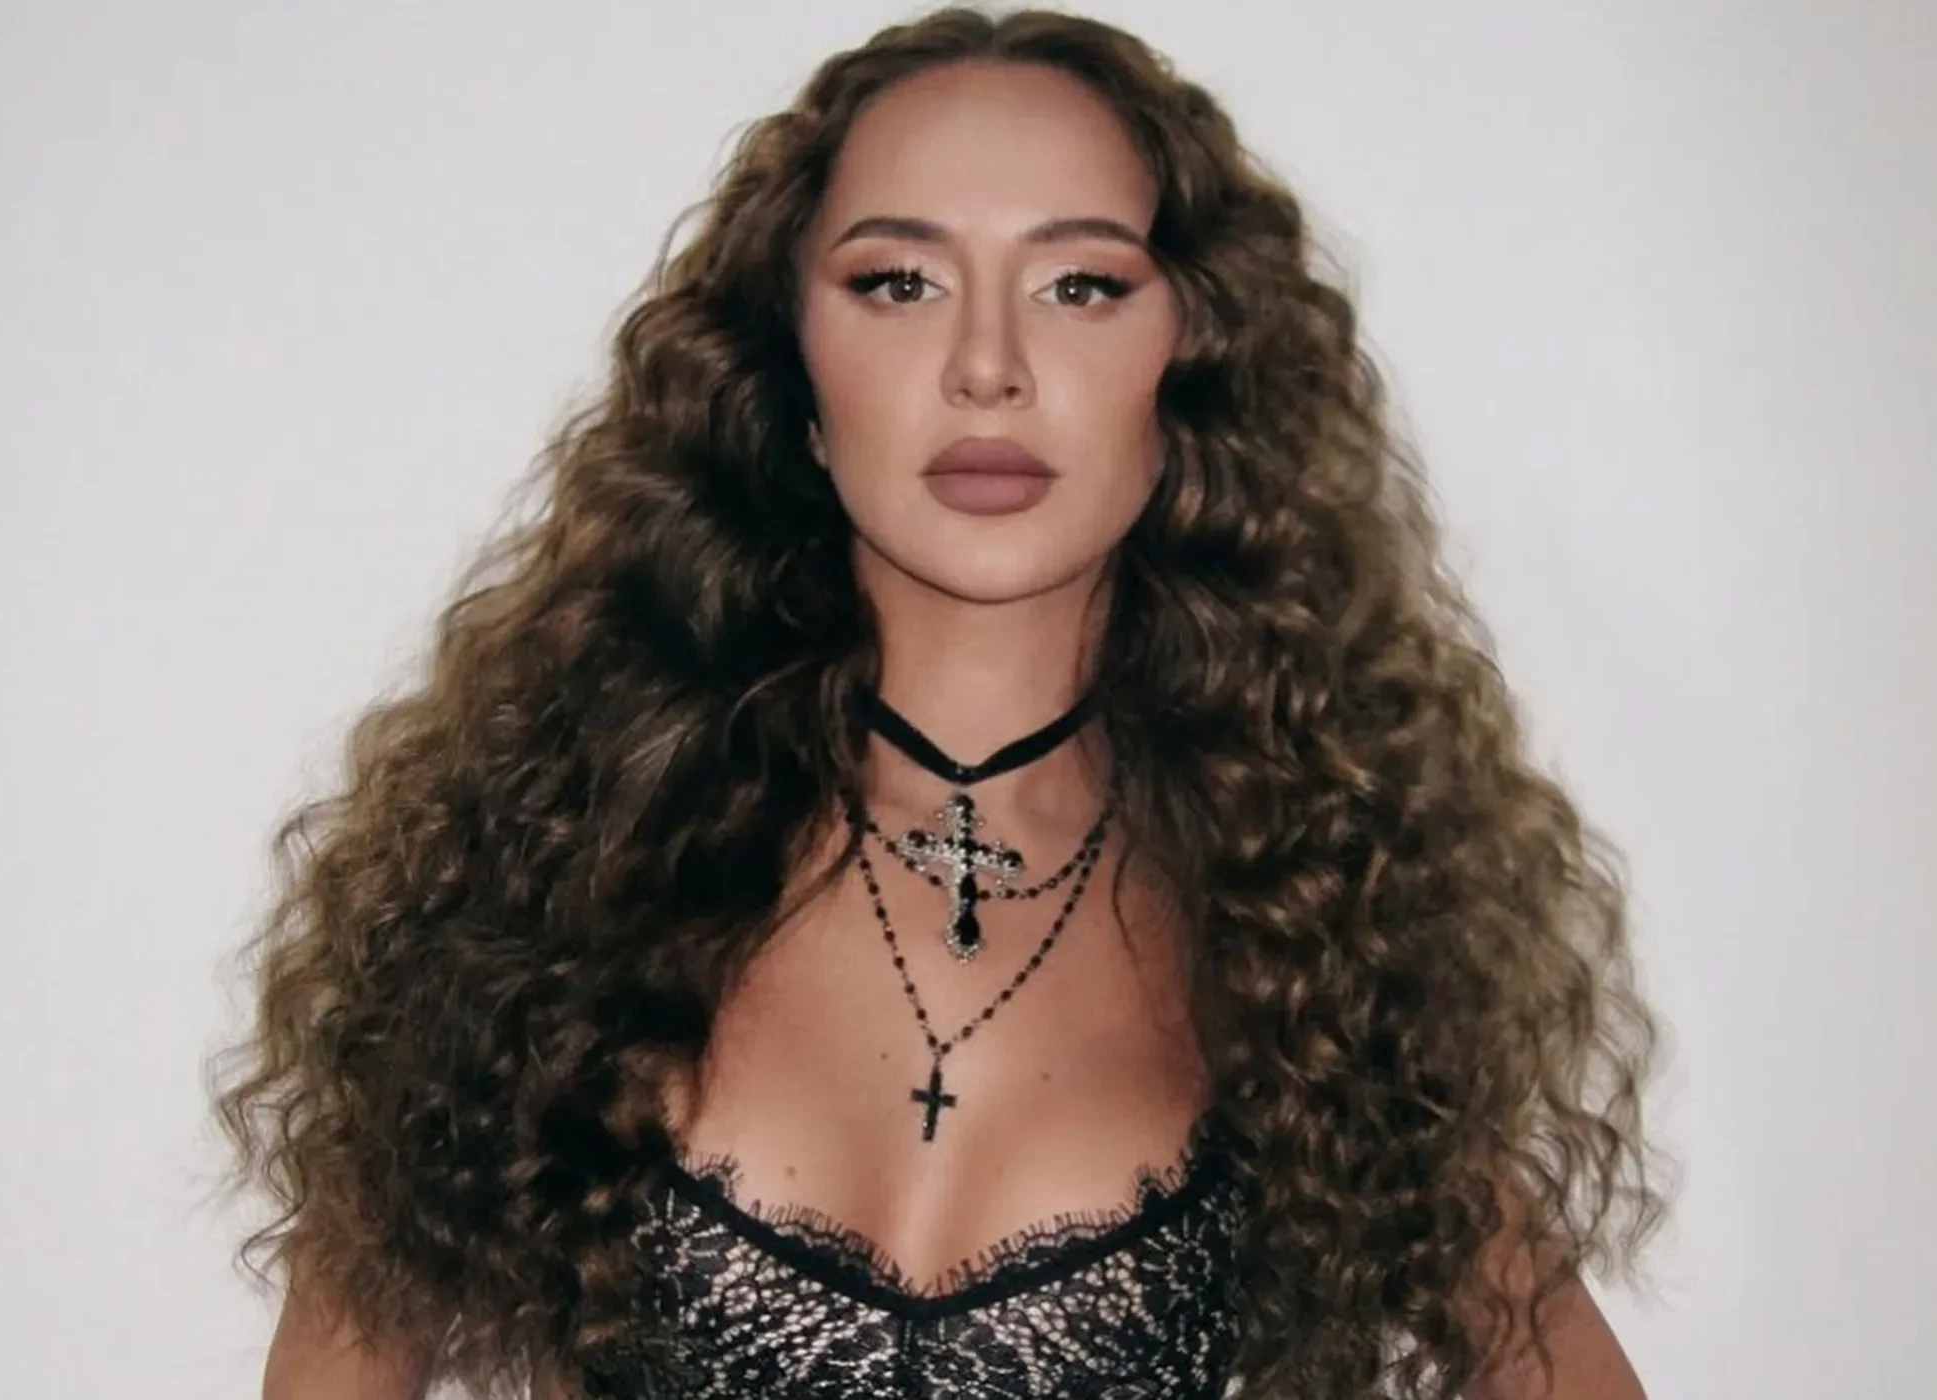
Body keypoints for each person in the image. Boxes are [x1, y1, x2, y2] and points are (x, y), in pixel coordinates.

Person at [211, 7, 1668, 1398]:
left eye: (1080, 286)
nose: (986, 369)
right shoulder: (553, 863)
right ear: (790, 371)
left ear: (1193, 370)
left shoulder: (1309, 919)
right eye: (897, 283)